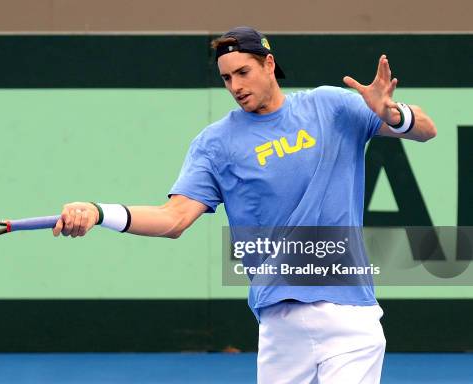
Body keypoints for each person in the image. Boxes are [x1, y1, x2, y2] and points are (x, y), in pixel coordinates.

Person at [52, 26, 436, 383]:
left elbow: (425, 129)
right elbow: (173, 219)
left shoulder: (330, 107)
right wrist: (100, 212)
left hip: (350, 314)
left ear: (269, 65)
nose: (235, 86)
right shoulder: (216, 144)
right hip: (279, 323)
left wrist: (392, 113)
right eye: (226, 78)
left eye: (243, 72)